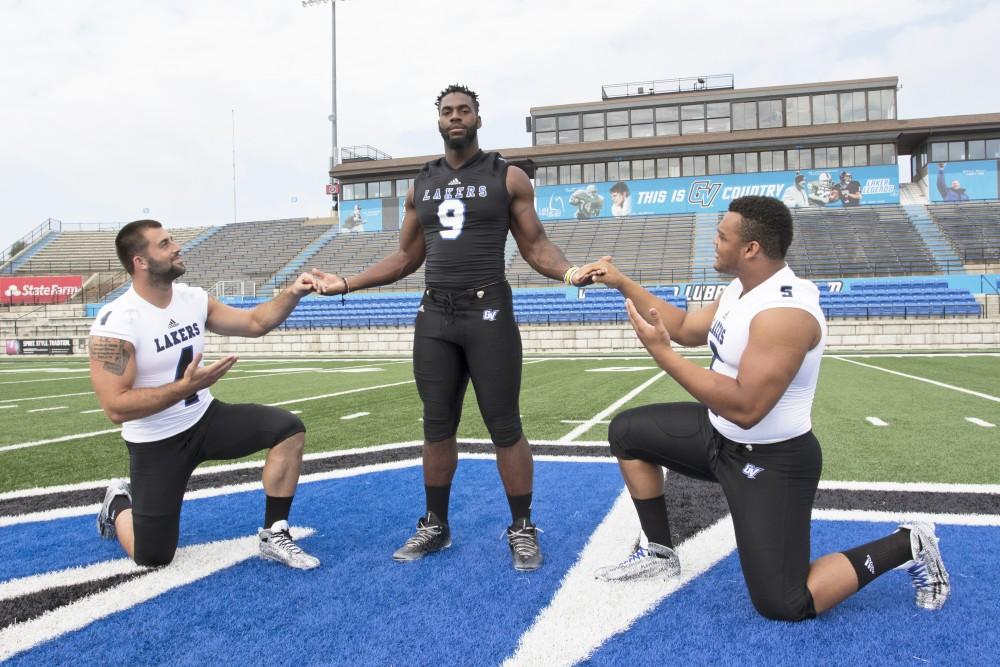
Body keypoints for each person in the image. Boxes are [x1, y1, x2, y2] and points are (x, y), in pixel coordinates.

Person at [581, 196, 949, 620]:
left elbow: (746, 407)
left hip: (773, 460)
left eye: (722, 236)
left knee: (785, 602)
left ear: (751, 248)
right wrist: (622, 281)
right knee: (627, 433)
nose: (713, 243)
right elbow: (683, 328)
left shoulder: (785, 312)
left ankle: (909, 543)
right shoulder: (741, 287)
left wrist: (661, 354)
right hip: (719, 437)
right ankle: (660, 552)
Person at [310, 84, 596, 571]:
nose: (456, 116)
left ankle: (522, 527)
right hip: (435, 316)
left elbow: (536, 246)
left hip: (489, 314)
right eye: (447, 111)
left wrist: (569, 272)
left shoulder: (508, 178)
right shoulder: (420, 184)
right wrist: (347, 283)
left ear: (479, 119)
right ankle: (435, 525)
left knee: (505, 427)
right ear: (438, 121)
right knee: (436, 426)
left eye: (464, 110)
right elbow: (405, 257)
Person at [90, 219, 320, 570]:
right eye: (165, 244)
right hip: (156, 442)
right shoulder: (117, 322)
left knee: (288, 429)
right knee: (152, 556)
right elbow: (115, 407)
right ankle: (119, 502)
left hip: (204, 419)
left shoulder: (192, 299)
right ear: (140, 261)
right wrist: (182, 388)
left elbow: (255, 323)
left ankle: (275, 533)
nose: (177, 247)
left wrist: (292, 292)